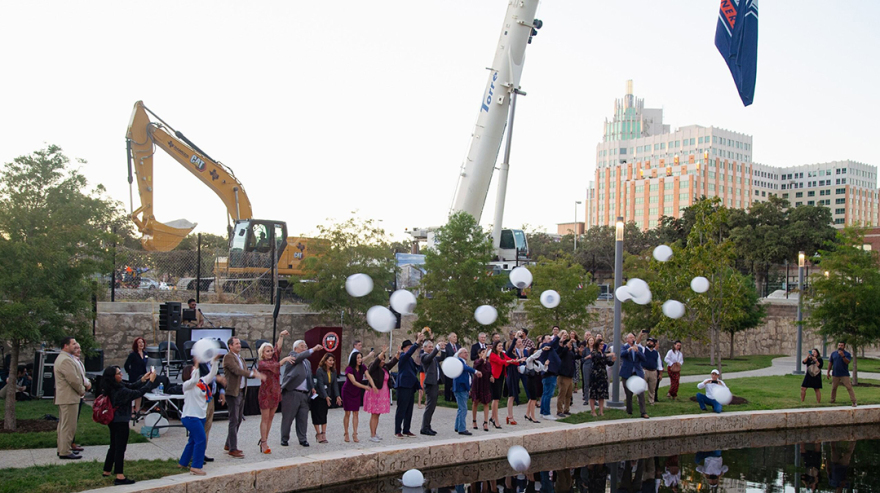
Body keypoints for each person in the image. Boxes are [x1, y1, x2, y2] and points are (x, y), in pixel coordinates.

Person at [101, 365, 157, 484]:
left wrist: (143, 379)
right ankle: (119, 476)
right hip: (120, 421)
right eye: (118, 373)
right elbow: (138, 392)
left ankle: (107, 470)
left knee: (114, 445)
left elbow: (131, 386)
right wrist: (151, 381)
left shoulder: (113, 386)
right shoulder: (120, 391)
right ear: (113, 377)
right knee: (120, 448)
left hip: (113, 420)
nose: (121, 374)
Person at [223, 337, 265, 458]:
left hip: (241, 391)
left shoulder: (240, 357)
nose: (239, 345)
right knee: (233, 420)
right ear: (230, 346)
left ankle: (228, 443)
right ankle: (233, 448)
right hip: (233, 392)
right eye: (236, 343)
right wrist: (252, 373)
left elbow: (245, 372)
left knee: (239, 419)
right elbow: (237, 371)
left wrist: (254, 374)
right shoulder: (228, 357)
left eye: (239, 343)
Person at [280, 340, 324, 447]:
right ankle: (284, 438)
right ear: (295, 349)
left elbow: (309, 376)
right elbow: (299, 357)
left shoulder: (307, 362)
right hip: (292, 393)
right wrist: (313, 349)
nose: (304, 347)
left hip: (304, 394)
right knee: (288, 417)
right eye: (302, 346)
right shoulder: (292, 356)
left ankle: (302, 438)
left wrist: (312, 387)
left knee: (303, 418)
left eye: (305, 346)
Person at [178, 357, 217, 476]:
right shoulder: (187, 385)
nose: (196, 370)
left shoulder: (202, 382)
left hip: (200, 417)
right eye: (193, 370)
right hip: (190, 417)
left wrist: (214, 361)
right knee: (201, 440)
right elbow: (194, 379)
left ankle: (183, 462)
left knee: (193, 440)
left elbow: (212, 374)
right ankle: (196, 466)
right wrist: (196, 363)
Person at [256, 330, 293, 454]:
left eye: (270, 351)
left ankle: (264, 440)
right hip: (266, 393)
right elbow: (277, 365)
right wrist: (286, 359)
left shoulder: (274, 357)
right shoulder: (262, 363)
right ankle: (264, 442)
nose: (270, 352)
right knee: (265, 418)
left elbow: (278, 348)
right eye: (267, 351)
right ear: (262, 352)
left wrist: (281, 336)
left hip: (276, 391)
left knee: (271, 417)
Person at [54, 337, 87, 459]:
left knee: (64, 425)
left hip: (66, 397)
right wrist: (82, 390)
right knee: (68, 426)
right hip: (69, 398)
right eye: (73, 344)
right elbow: (74, 380)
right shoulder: (65, 360)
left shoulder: (65, 358)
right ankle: (65, 451)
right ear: (65, 346)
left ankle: (62, 448)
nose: (75, 346)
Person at [394, 332, 425, 438]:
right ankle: (397, 430)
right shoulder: (403, 356)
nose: (410, 348)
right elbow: (408, 354)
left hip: (410, 387)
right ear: (404, 348)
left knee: (409, 410)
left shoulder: (410, 360)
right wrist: (416, 343)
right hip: (403, 386)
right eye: (409, 347)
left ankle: (406, 429)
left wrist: (419, 386)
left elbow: (413, 373)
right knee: (401, 409)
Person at [364, 346, 397, 442]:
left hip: (383, 394)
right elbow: (375, 362)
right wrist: (382, 352)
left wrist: (398, 354)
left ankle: (375, 432)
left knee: (378, 414)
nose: (382, 361)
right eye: (381, 359)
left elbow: (393, 362)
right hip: (375, 394)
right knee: (374, 414)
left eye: (384, 359)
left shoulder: (385, 368)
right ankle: (372, 435)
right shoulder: (373, 367)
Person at [341, 351, 374, 442]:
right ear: (354, 359)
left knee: (356, 413)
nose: (360, 360)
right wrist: (365, 387)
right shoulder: (349, 369)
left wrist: (373, 386)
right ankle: (346, 433)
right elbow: (354, 382)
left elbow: (368, 376)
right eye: (358, 358)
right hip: (348, 391)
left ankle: (355, 433)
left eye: (360, 358)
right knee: (347, 413)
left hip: (356, 392)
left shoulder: (363, 367)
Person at [488, 340, 519, 429]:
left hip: (501, 376)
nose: (501, 347)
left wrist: (517, 361)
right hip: (494, 377)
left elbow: (508, 359)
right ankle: (496, 420)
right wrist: (510, 361)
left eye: (502, 346)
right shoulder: (493, 355)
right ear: (495, 347)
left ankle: (493, 417)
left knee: (497, 398)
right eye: (499, 346)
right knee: (496, 398)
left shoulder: (502, 354)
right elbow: (501, 362)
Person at [313, 353, 341, 444]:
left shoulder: (333, 371)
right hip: (319, 396)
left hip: (328, 394)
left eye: (333, 360)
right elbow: (320, 384)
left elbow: (335, 384)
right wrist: (325, 396)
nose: (331, 362)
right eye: (330, 360)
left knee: (324, 414)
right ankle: (318, 434)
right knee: (317, 414)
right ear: (325, 361)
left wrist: (337, 395)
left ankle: (324, 433)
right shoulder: (320, 370)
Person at [419, 339, 446, 435]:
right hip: (430, 384)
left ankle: (428, 426)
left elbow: (442, 357)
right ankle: (424, 428)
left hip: (435, 383)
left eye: (432, 347)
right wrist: (437, 348)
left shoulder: (433, 357)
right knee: (430, 406)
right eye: (429, 347)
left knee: (432, 407)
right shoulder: (423, 356)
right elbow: (429, 357)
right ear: (424, 348)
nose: (431, 348)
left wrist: (442, 349)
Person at [452, 348, 481, 435]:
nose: (467, 354)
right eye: (465, 352)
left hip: (463, 388)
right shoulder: (459, 362)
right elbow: (465, 368)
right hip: (461, 388)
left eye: (467, 352)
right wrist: (475, 371)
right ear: (460, 354)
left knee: (460, 408)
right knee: (463, 409)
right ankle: (462, 428)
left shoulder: (462, 362)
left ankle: (458, 426)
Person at [538, 330, 561, 420]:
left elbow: (555, 345)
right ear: (543, 341)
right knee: (548, 393)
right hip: (549, 373)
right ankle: (547, 413)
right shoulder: (544, 346)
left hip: (550, 373)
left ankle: (543, 412)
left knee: (545, 393)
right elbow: (553, 343)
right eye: (548, 338)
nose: (550, 339)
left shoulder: (550, 349)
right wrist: (560, 334)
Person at [589, 338, 615, 416]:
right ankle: (593, 411)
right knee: (593, 393)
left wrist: (613, 361)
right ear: (597, 345)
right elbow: (598, 358)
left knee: (602, 394)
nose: (602, 346)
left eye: (603, 344)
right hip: (595, 375)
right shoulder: (594, 352)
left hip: (603, 375)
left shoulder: (602, 353)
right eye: (600, 344)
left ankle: (601, 411)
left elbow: (608, 363)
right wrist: (608, 354)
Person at [827, 342, 856, 407]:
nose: (840, 346)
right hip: (835, 374)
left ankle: (854, 401)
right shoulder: (833, 354)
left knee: (849, 387)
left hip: (844, 374)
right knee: (834, 388)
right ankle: (832, 400)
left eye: (842, 345)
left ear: (844, 346)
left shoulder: (847, 354)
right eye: (839, 345)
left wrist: (843, 356)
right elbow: (830, 363)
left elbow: (847, 362)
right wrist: (828, 372)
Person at [124, 337, 148, 414]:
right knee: (132, 393)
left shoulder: (145, 354)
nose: (141, 344)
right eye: (139, 343)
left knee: (139, 393)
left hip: (142, 376)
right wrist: (130, 372)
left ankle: (137, 410)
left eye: (142, 342)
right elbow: (126, 365)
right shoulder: (133, 355)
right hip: (134, 376)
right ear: (136, 345)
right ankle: (131, 410)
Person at [471, 346, 492, 432]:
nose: (485, 353)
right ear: (479, 354)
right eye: (482, 352)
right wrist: (487, 350)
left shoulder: (488, 363)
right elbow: (478, 363)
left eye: (485, 352)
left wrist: (491, 376)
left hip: (485, 384)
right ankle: (474, 420)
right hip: (477, 384)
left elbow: (490, 371)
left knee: (486, 403)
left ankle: (485, 422)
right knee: (475, 402)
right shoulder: (477, 362)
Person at [523, 341, 546, 423]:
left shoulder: (537, 362)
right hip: (531, 380)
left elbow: (543, 369)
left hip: (536, 380)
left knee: (532, 398)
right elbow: (533, 356)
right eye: (535, 353)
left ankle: (527, 414)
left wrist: (546, 365)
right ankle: (532, 416)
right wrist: (541, 349)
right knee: (533, 399)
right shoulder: (529, 361)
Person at [556, 331, 577, 418]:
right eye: (569, 345)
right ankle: (559, 410)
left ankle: (566, 409)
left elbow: (576, 357)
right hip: (563, 375)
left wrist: (579, 352)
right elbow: (562, 353)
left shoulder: (570, 352)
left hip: (570, 375)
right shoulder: (562, 352)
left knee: (569, 394)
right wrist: (570, 342)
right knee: (562, 394)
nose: (570, 346)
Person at [643, 337, 663, 405]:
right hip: (644, 370)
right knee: (641, 387)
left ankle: (651, 401)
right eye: (648, 341)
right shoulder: (643, 350)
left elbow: (659, 364)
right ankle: (640, 401)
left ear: (654, 344)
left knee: (652, 388)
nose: (649, 342)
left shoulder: (656, 353)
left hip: (653, 371)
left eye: (651, 342)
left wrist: (660, 374)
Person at [443, 332, 460, 402]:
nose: (455, 338)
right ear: (450, 338)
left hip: (456, 367)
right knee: (448, 383)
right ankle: (447, 398)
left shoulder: (458, 346)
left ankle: (454, 398)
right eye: (454, 337)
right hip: (449, 367)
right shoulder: (447, 347)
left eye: (456, 336)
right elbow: (444, 356)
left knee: (454, 382)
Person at [581, 336, 595, 405]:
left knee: (593, 383)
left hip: (594, 366)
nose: (591, 342)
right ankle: (586, 399)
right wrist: (587, 357)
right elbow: (582, 360)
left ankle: (594, 399)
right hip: (586, 366)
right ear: (588, 342)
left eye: (592, 340)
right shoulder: (585, 350)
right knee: (586, 383)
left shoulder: (595, 350)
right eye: (590, 340)